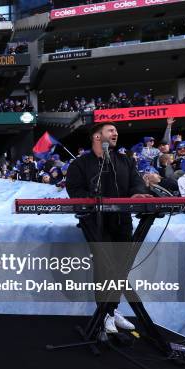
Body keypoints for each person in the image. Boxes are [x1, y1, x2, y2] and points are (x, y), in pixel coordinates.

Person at [66, 122, 152, 334]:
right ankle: (104, 313)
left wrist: (137, 194)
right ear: (97, 137)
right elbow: (74, 190)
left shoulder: (125, 160)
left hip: (122, 221)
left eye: (115, 131)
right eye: (110, 130)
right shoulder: (80, 164)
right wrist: (93, 201)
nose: (115, 133)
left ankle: (111, 310)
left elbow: (136, 183)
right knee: (104, 266)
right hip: (95, 222)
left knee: (121, 265)